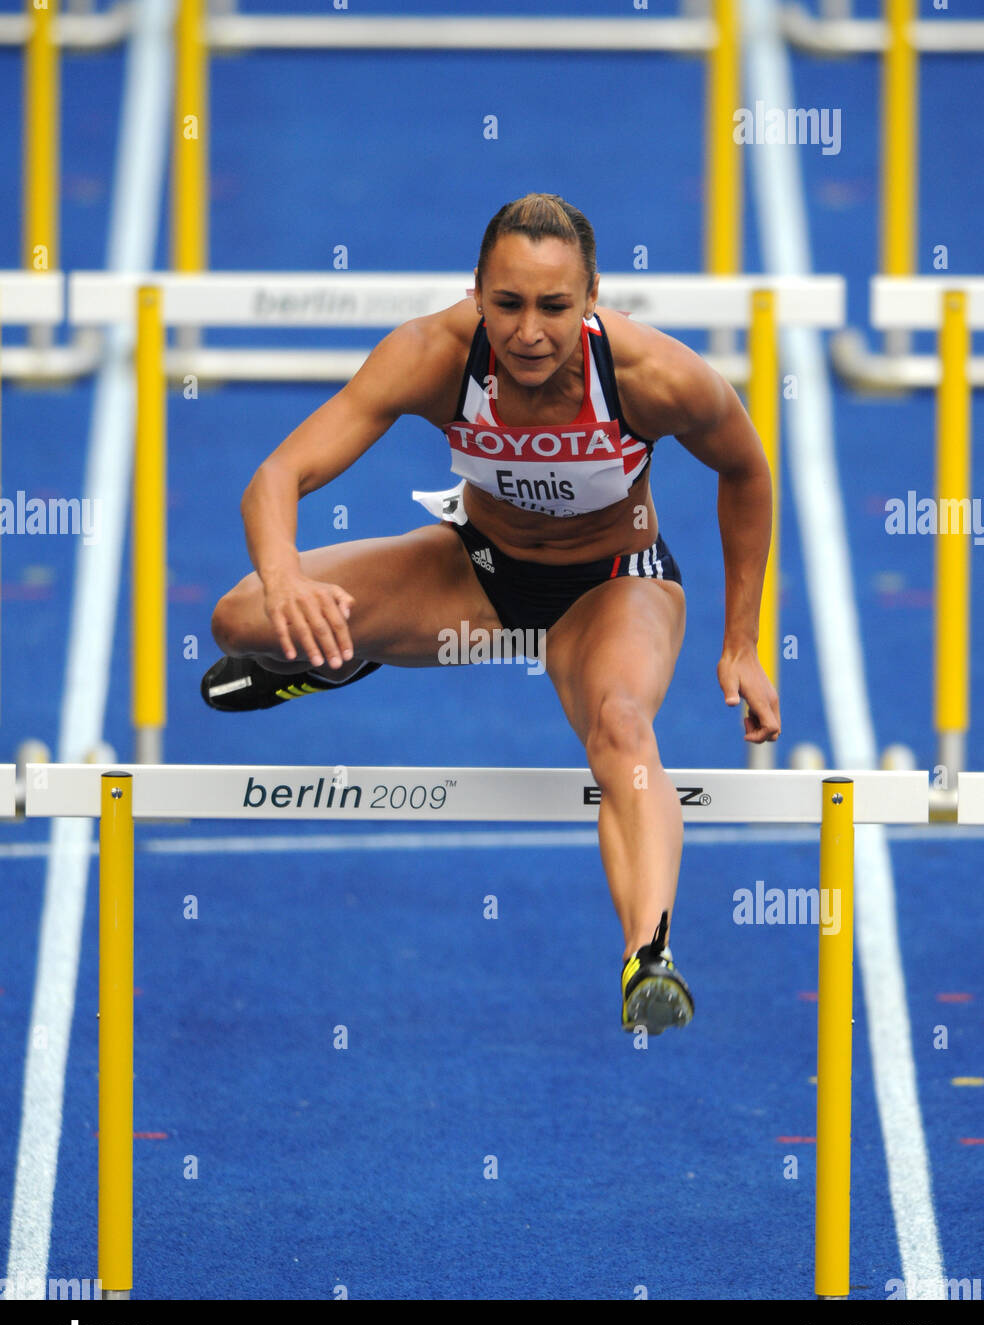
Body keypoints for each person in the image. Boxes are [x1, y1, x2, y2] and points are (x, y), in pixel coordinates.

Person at [202, 193, 780, 1035]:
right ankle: (341, 654)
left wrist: (742, 642)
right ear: (476, 291)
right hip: (476, 573)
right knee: (239, 618)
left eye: (554, 306)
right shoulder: (432, 355)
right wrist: (286, 577)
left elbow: (748, 473)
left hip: (611, 586)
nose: (530, 332)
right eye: (508, 304)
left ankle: (648, 954)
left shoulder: (656, 376)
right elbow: (278, 476)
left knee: (621, 726)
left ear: (592, 300)